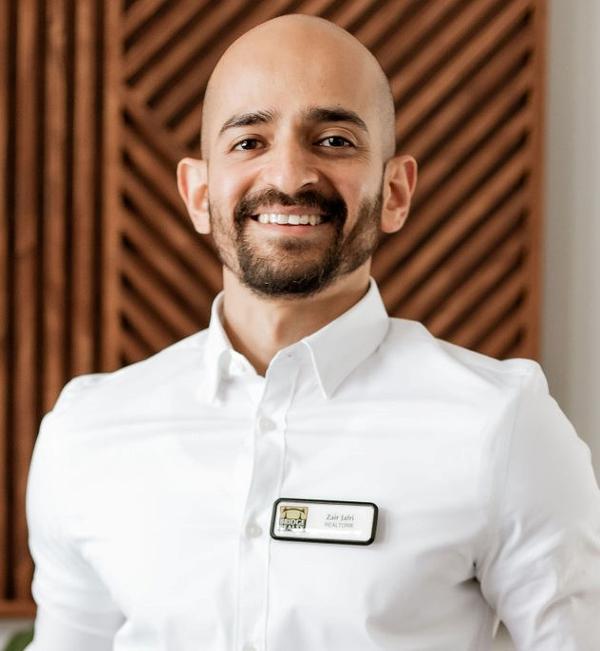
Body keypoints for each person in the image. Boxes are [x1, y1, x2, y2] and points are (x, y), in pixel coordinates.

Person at [25, 14, 600, 651]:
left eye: (333, 140)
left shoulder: (503, 424)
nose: (289, 176)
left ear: (396, 191)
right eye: (249, 141)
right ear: (197, 192)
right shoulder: (86, 432)